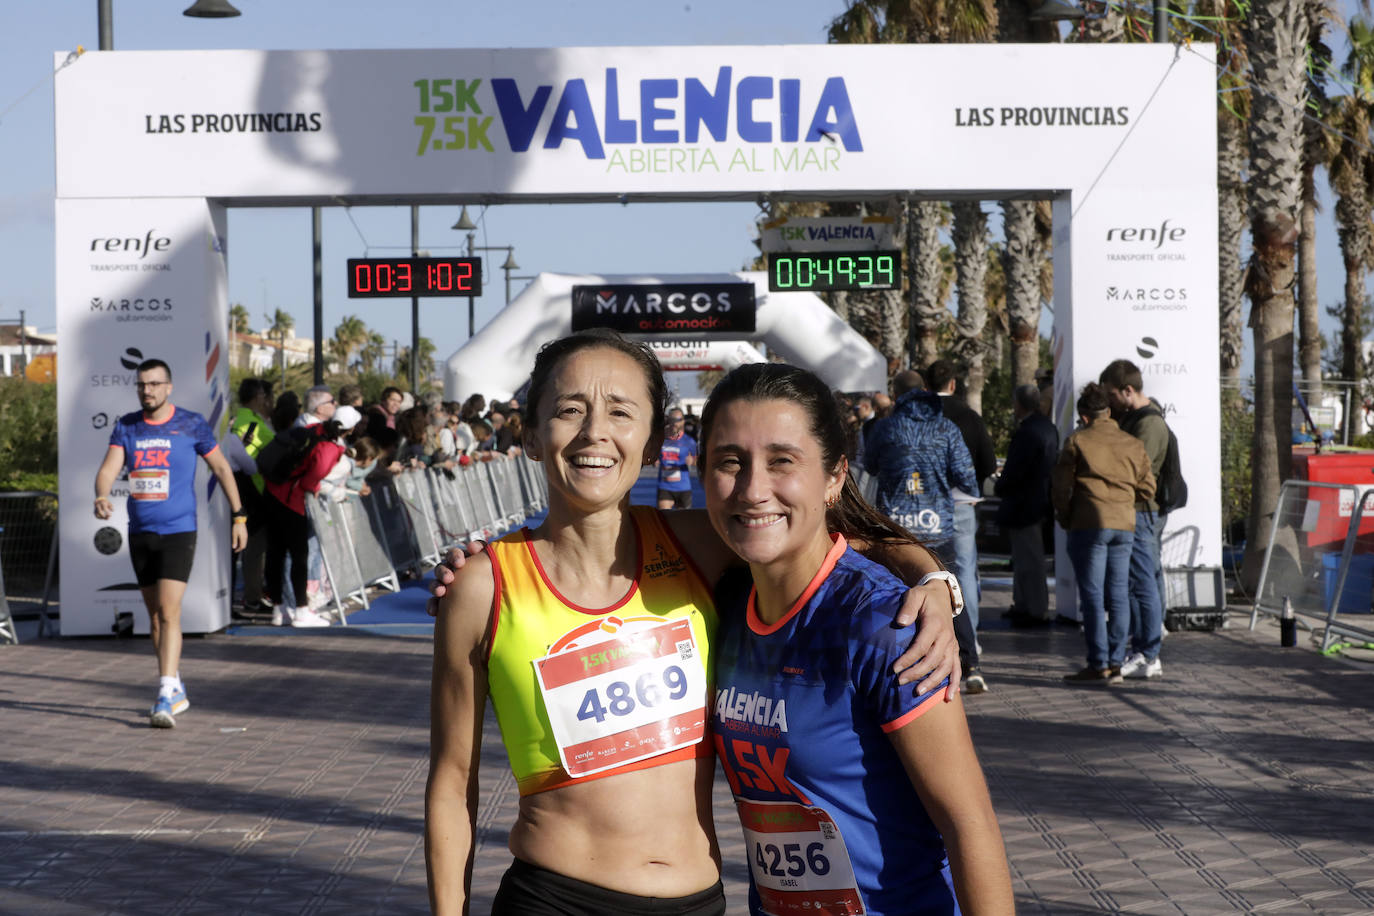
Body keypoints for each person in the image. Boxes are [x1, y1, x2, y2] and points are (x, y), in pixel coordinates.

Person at [426, 329, 962, 916]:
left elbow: (839, 532)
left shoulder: (700, 543)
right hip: (554, 897)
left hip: (698, 902)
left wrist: (933, 581)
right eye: (568, 410)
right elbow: (453, 782)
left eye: (621, 412)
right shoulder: (481, 586)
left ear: (655, 440)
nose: (593, 432)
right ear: (529, 434)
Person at [702, 362, 1013, 915]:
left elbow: (970, 825)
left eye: (782, 462)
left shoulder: (884, 627)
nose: (753, 489)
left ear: (834, 477)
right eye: (730, 461)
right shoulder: (722, 605)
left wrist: (932, 579)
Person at [93, 358, 248, 728]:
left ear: (169, 387)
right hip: (140, 532)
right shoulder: (128, 426)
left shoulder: (190, 423)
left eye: (154, 384)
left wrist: (240, 516)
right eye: (142, 385)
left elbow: (223, 468)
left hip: (179, 531)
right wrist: (101, 495)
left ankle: (164, 692)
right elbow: (107, 470)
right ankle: (175, 683)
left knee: (169, 612)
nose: (147, 390)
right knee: (155, 618)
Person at [865, 370, 987, 694]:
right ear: (924, 391)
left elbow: (871, 465)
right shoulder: (945, 428)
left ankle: (899, 668)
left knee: (894, 597)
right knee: (947, 593)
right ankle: (971, 665)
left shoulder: (886, 427)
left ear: (896, 393)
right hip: (937, 526)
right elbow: (966, 477)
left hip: (896, 528)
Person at [1052, 383, 1155, 685]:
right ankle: (1115, 663)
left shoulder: (1076, 441)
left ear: (1084, 417)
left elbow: (1060, 489)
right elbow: (1149, 488)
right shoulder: (1132, 443)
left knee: (1094, 596)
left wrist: (1066, 516)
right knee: (1120, 594)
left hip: (1089, 523)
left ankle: (1098, 664)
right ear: (1108, 412)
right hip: (1124, 524)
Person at [1100, 359, 1170, 680]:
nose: (1109, 403)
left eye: (1112, 395)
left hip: (1140, 513)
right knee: (1135, 583)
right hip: (1130, 512)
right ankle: (1142, 648)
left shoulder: (1150, 424)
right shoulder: (1134, 420)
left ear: (1128, 390)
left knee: (1143, 584)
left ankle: (1149, 652)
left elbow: (1137, 472)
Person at [928, 359, 998, 642]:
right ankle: (971, 636)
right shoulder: (970, 417)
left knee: (930, 566)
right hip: (962, 503)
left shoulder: (921, 416)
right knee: (966, 567)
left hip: (927, 504)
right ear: (953, 384)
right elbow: (988, 461)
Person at [262, 417, 347, 628]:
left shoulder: (309, 430)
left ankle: (279, 609)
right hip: (292, 502)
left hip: (271, 492)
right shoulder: (329, 448)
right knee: (299, 556)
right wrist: (317, 489)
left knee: (275, 553)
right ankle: (301, 610)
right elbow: (311, 480)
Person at [997, 384, 1060, 628]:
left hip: (1024, 503)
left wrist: (1002, 486)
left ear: (1019, 404)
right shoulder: (1047, 428)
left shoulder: (1028, 432)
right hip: (1037, 501)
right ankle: (1025, 604)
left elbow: (1017, 470)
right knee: (1025, 559)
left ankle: (1035, 609)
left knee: (1030, 560)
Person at [229, 378, 275, 616]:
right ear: (258, 396)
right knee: (253, 547)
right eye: (266, 396)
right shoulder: (247, 422)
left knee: (257, 547)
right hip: (251, 494)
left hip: (258, 491)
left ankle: (254, 595)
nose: (269, 401)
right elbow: (239, 460)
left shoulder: (253, 420)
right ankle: (252, 597)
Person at [656, 406, 698, 509]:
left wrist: (692, 461)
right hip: (665, 486)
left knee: (683, 522)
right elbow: (654, 456)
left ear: (683, 421)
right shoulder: (661, 439)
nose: (675, 423)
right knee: (664, 518)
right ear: (668, 420)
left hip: (683, 487)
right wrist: (654, 460)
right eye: (672, 420)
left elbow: (698, 460)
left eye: (678, 420)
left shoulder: (689, 441)